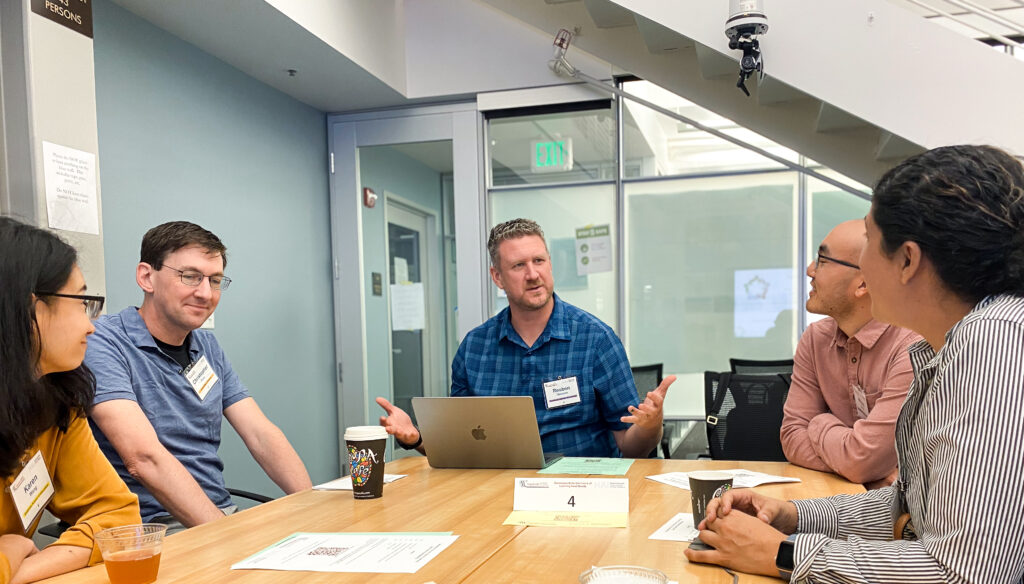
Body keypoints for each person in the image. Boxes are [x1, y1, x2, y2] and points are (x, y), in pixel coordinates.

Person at [685, 145, 1024, 582]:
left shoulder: (995, 343)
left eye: (869, 239)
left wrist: (784, 554)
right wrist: (790, 515)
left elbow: (962, 574)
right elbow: (904, 501)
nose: (861, 263)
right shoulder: (952, 345)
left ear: (906, 260)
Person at [377, 218, 674, 458]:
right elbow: (460, 447)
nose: (533, 274)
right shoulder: (475, 348)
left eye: (539, 261)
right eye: (519, 265)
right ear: (497, 277)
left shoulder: (596, 339)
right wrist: (415, 438)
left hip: (580, 490)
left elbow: (631, 445)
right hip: (497, 492)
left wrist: (651, 426)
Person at [85, 221, 311, 532]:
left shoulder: (207, 346)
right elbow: (144, 459)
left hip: (218, 515)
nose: (205, 293)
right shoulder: (103, 342)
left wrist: (313, 505)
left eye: (215, 280)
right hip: (152, 529)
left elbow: (260, 434)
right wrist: (224, 536)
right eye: (190, 276)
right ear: (146, 277)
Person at [0, 217, 141, 584]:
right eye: (81, 301)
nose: (91, 324)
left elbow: (118, 517)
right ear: (31, 309)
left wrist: (18, 561)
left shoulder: (57, 399)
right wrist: (10, 550)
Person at [780, 219, 919, 489]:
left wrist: (818, 424)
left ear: (863, 284)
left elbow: (863, 459)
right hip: (841, 505)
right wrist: (868, 469)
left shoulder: (912, 346)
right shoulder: (815, 339)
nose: (810, 270)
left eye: (822, 260)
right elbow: (792, 436)